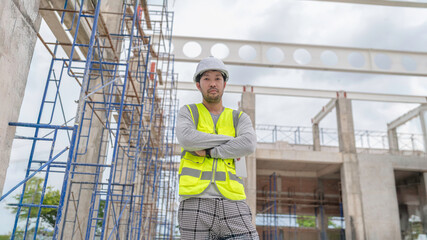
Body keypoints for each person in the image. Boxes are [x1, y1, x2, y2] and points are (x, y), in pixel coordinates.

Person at [176, 56, 259, 239]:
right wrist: (231, 140)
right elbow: (187, 139)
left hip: (233, 200)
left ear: (224, 84)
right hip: (194, 202)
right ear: (198, 85)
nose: (212, 83)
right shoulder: (189, 112)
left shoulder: (239, 118)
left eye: (217, 79)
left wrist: (210, 152)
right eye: (206, 79)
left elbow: (248, 144)